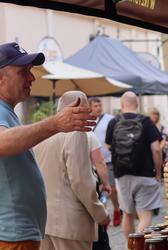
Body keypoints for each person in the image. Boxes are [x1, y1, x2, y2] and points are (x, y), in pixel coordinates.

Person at [0, 42, 95, 250]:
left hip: (20, 234)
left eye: (30, 71)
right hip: (13, 236)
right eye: (23, 72)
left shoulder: (7, 112)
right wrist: (55, 123)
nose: (32, 77)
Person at [34, 91, 110, 250]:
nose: (89, 114)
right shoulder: (76, 132)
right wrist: (101, 214)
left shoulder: (44, 132)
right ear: (76, 108)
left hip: (44, 221)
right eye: (86, 109)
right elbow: (81, 180)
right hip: (70, 224)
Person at [105, 91, 162, 240]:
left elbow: (108, 147)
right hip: (145, 174)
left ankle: (131, 246)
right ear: (137, 104)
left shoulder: (114, 122)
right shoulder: (146, 121)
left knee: (127, 214)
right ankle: (139, 246)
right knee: (145, 214)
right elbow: (156, 149)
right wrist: (158, 173)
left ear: (122, 105)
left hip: (122, 174)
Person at [89, 97, 121, 227]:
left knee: (112, 188)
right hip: (92, 161)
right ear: (90, 107)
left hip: (108, 160)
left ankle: (117, 209)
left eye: (99, 105)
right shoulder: (87, 121)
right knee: (100, 189)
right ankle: (104, 214)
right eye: (95, 106)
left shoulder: (110, 119)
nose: (98, 108)